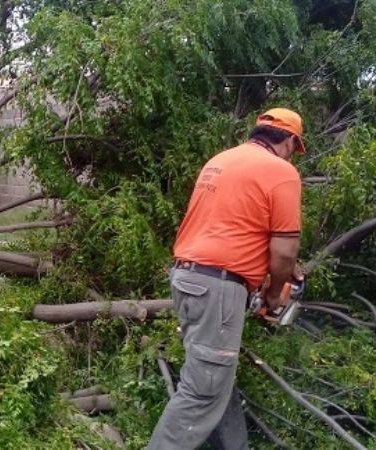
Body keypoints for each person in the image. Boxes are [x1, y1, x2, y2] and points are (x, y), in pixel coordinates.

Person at [147, 108, 305, 449]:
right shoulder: (282, 172)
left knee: (214, 379)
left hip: (188, 278)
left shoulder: (222, 160)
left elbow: (232, 226)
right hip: (218, 288)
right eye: (296, 146)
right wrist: (275, 292)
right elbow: (284, 252)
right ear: (290, 140)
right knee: (201, 393)